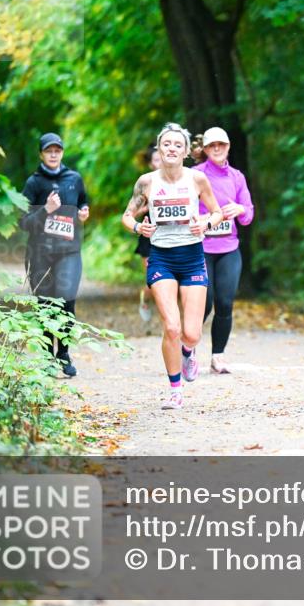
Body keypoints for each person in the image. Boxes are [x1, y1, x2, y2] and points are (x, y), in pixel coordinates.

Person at [122, 122, 223, 409]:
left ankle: (188, 351)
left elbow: (216, 213)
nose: (171, 148)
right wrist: (138, 227)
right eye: (166, 144)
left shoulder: (197, 180)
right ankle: (175, 390)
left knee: (191, 333)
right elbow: (127, 216)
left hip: (192, 259)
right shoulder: (146, 182)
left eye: (178, 145)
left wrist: (204, 223)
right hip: (161, 259)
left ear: (186, 151)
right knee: (171, 327)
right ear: (159, 148)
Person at [19, 132, 90, 377]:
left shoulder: (74, 178)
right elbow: (23, 223)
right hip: (40, 253)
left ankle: (64, 354)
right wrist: (46, 210)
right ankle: (48, 356)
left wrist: (84, 211)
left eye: (57, 150)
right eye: (48, 151)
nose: (53, 154)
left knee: (67, 300)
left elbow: (83, 201)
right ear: (41, 154)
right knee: (46, 304)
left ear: (62, 153)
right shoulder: (33, 183)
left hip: (69, 251)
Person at [192, 127, 255, 374]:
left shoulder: (237, 177)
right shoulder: (195, 175)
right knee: (203, 303)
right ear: (206, 149)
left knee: (225, 302)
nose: (217, 148)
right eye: (212, 145)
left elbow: (248, 215)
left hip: (229, 248)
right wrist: (202, 218)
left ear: (228, 147)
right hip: (201, 249)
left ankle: (217, 356)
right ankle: (188, 350)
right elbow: (184, 207)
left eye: (222, 144)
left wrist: (240, 209)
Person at [135, 144, 160, 323]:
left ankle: (167, 317)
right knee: (153, 278)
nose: (160, 162)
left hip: (171, 237)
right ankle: (145, 297)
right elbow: (131, 214)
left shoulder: (179, 181)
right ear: (151, 164)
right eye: (156, 160)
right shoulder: (145, 184)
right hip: (149, 237)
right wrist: (144, 208)